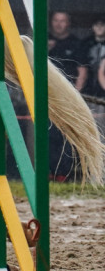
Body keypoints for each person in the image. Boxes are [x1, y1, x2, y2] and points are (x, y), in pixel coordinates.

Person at [47, 10, 86, 181]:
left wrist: (75, 96)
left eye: (63, 21)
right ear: (51, 22)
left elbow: (82, 71)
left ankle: (64, 174)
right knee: (48, 135)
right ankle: (49, 172)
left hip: (68, 100)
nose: (59, 24)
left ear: (68, 23)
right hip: (47, 98)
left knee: (66, 137)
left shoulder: (76, 43)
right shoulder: (42, 40)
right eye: (56, 20)